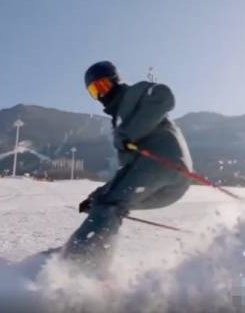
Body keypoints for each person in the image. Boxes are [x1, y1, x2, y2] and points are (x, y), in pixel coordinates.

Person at [60, 61, 193, 275]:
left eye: (103, 85)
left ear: (116, 80)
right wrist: (97, 195)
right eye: (95, 91)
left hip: (162, 160)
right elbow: (128, 172)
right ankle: (94, 264)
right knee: (110, 205)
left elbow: (164, 96)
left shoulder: (133, 94)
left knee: (109, 204)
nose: (101, 94)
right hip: (170, 187)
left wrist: (128, 132)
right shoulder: (119, 121)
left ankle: (77, 265)